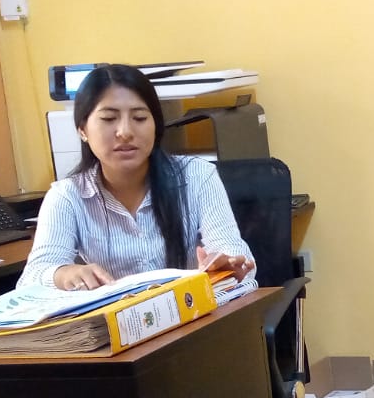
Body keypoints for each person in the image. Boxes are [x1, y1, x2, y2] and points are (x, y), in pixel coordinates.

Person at [20, 64, 258, 292]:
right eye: (109, 118)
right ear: (82, 129)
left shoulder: (197, 176)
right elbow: (32, 278)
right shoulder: (67, 196)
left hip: (192, 314)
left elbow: (233, 250)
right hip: (119, 319)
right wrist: (63, 274)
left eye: (140, 118)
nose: (125, 132)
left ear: (156, 125)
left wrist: (225, 264)